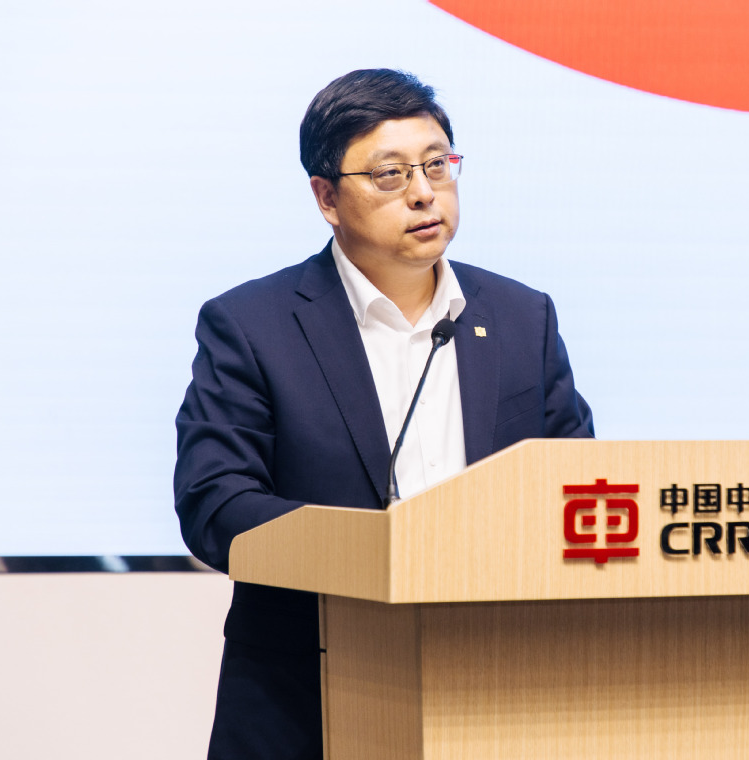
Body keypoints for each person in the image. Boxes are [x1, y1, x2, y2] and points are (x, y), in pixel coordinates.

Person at [173, 68, 593, 759]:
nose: (424, 192)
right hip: (309, 697)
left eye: (437, 165)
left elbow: (572, 488)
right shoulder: (252, 326)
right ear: (327, 198)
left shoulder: (523, 318)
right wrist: (380, 553)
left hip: (499, 684)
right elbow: (215, 504)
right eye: (390, 175)